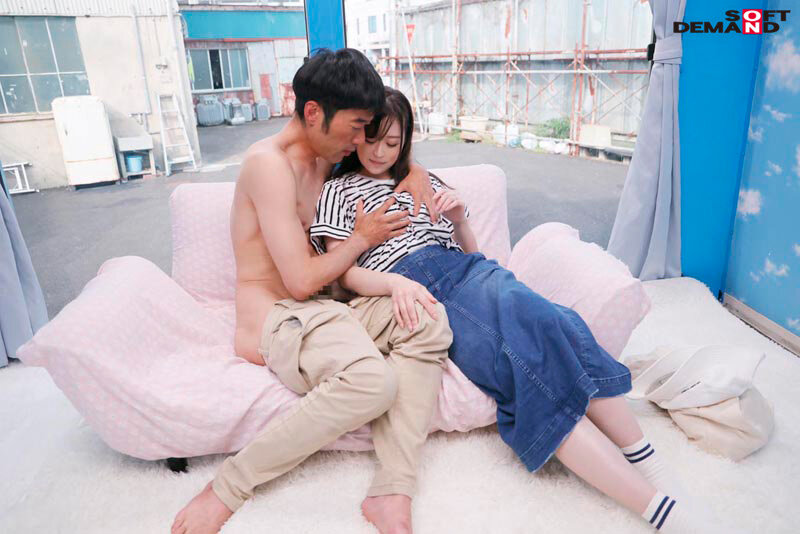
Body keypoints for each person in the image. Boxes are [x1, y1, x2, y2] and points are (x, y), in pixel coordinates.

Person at [310, 87, 706, 533]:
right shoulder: (338, 190)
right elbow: (344, 272)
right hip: (414, 285)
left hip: (469, 269)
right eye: (372, 139)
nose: (380, 152)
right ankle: (655, 506)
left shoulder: (423, 179)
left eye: (393, 142)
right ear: (357, 134)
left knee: (557, 321)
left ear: (405, 143)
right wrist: (395, 282)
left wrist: (459, 219)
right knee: (523, 362)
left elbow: (471, 252)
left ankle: (647, 463)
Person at [172, 50, 453, 534]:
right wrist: (361, 239)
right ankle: (227, 487)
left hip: (325, 310)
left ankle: (391, 488)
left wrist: (418, 172)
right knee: (372, 382)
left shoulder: (328, 158)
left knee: (427, 318)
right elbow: (301, 281)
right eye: (356, 126)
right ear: (313, 112)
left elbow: (391, 156)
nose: (361, 140)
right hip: (276, 314)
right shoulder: (268, 166)